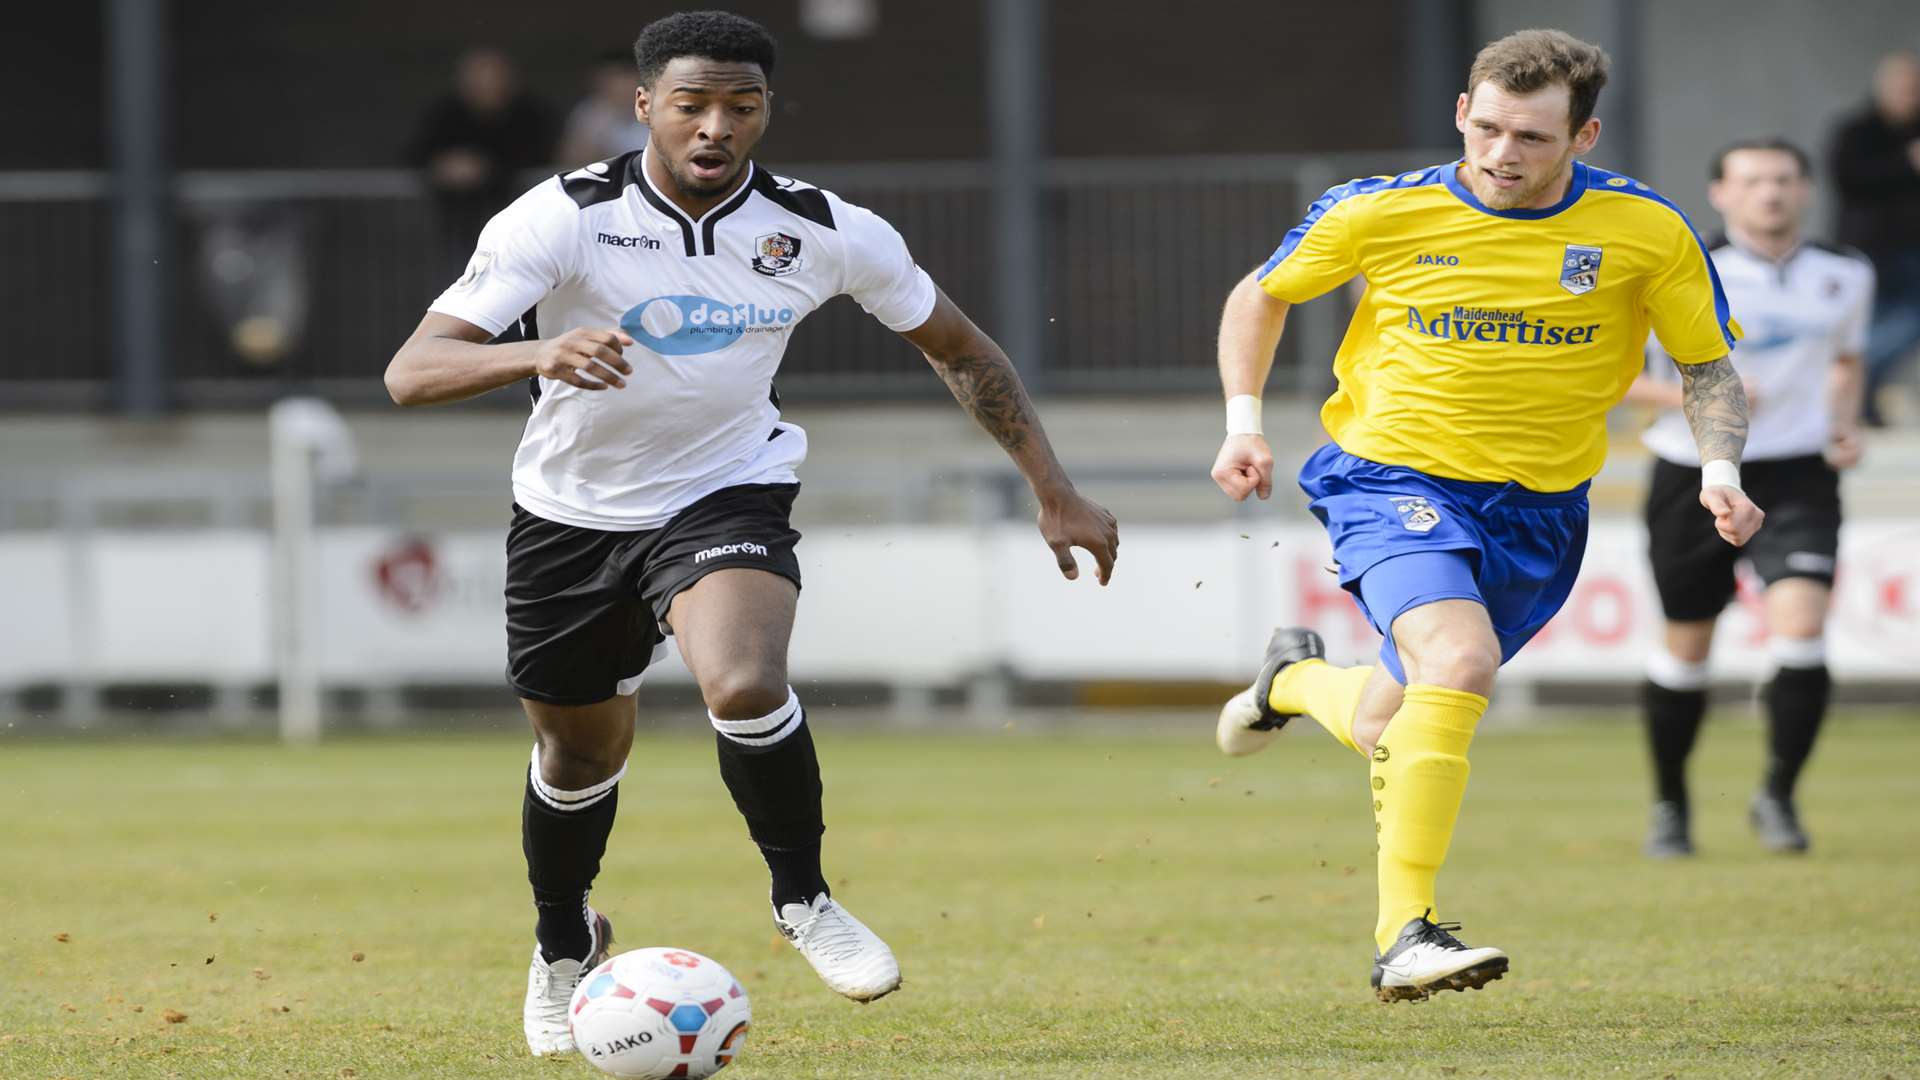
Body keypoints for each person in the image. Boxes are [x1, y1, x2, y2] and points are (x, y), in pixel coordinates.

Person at [383, 11, 1118, 1058]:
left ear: (767, 111)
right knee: (576, 753)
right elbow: (412, 371)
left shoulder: (824, 228)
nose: (716, 125)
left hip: (727, 489)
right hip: (570, 514)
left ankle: (804, 898)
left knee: (743, 683)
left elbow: (963, 350)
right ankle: (561, 945)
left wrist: (1054, 486)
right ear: (645, 107)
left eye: (741, 105)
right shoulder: (562, 217)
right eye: (692, 104)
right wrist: (532, 357)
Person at [1207, 29, 1762, 1004]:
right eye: (1490, 128)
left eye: (1534, 139)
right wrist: (1243, 424)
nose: (1503, 154)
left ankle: (1290, 681)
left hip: (1541, 513)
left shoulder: (1648, 232)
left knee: (1388, 722)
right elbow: (1262, 294)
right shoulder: (1380, 211)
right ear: (1463, 111)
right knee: (1458, 664)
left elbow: (1706, 365)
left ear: (1583, 136)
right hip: (1390, 479)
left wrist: (1719, 464)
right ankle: (1403, 936)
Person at [1627, 138, 1872, 858]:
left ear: (1805, 190)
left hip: (1797, 470)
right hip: (1692, 472)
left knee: (1801, 623)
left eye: (1784, 180)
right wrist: (1704, 392)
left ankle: (1779, 797)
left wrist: (1844, 423)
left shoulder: (1844, 273)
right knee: (1686, 648)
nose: (1770, 193)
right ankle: (1671, 805)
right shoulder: (1678, 271)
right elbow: (1614, 379)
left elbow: (1849, 359)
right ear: (1721, 195)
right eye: (1753, 180)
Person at [407, 49, 555, 280]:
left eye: (491, 79)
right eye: (477, 80)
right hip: (459, 222)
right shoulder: (447, 112)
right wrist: (443, 165)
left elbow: (537, 154)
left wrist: (485, 169)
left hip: (519, 221)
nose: (485, 87)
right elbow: (416, 152)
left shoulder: (528, 114)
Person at [1829, 51, 1920, 426]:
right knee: (1863, 329)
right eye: (1903, 86)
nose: (1909, 94)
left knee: (1904, 323)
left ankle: (1862, 390)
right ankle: (1857, 395)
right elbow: (1848, 179)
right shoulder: (1857, 131)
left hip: (1913, 248)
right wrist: (1907, 163)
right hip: (1869, 247)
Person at [556, 50, 654, 166]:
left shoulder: (656, 110)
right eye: (609, 80)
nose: (618, 88)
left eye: (624, 79)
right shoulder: (590, 111)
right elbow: (569, 161)